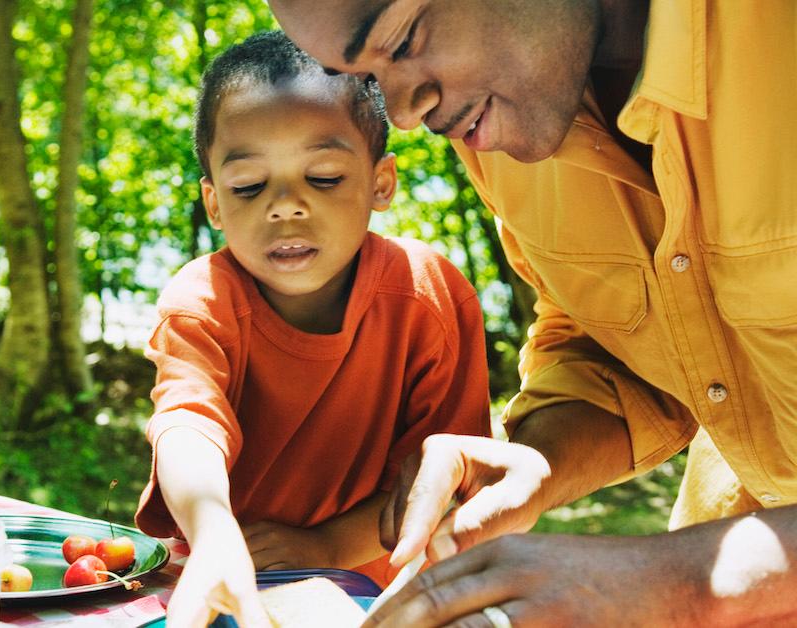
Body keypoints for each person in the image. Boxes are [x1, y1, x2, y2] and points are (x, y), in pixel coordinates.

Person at [265, 0, 797, 625]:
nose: (406, 114)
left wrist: (682, 584)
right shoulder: (496, 119)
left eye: (405, 39)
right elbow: (608, 335)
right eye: (367, 81)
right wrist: (537, 463)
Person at [132, 30, 490, 627]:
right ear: (215, 202)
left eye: (323, 177)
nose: (286, 205)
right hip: (218, 580)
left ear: (381, 183)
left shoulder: (429, 297)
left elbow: (438, 485)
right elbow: (187, 423)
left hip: (369, 598)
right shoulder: (202, 300)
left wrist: (323, 549)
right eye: (249, 186)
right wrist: (214, 531)